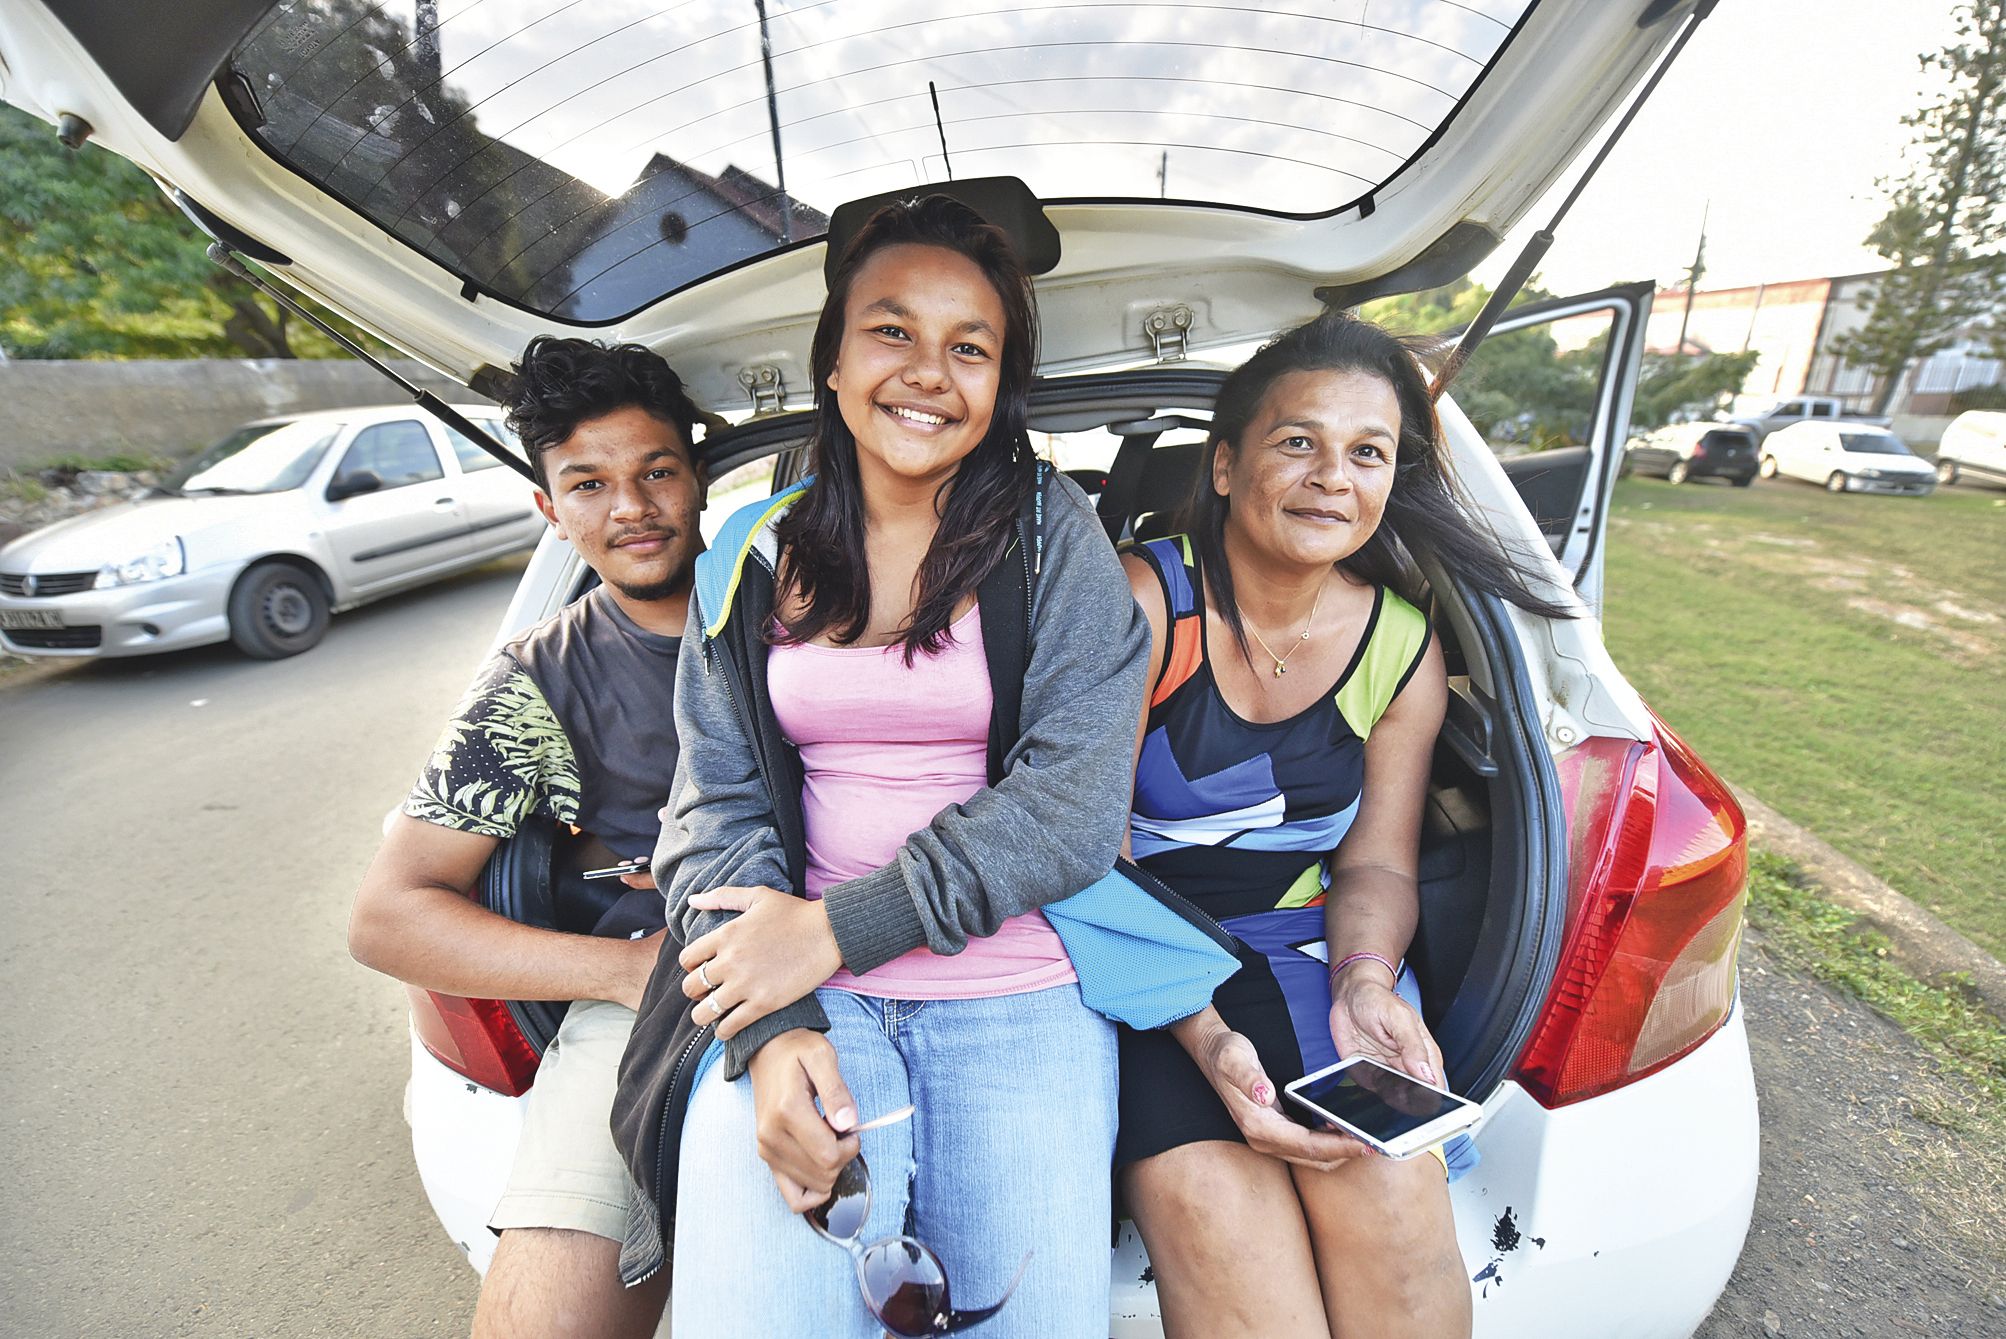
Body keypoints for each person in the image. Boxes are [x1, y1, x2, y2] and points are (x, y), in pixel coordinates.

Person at [641, 195, 1150, 1337]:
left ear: (999, 382)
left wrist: (828, 928)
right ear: (828, 361)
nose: (929, 371)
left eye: (968, 346)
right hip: (809, 998)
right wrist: (769, 1029)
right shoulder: (751, 551)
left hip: (1020, 1001)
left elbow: (1071, 808)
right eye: (891, 331)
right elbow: (710, 807)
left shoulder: (1049, 533)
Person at [1115, 312, 1575, 1338]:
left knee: (1398, 1221)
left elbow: (1375, 863)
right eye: (1298, 442)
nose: (1333, 476)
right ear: (1226, 466)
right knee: (1225, 1235)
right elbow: (1088, 859)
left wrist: (1365, 976)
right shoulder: (1146, 603)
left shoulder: (1399, 646)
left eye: (1366, 452)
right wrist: (1204, 1035)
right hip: (1132, 966)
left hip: (1298, 952)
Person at [348, 336, 709, 1339]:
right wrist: (616, 973)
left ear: (698, 475)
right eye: (587, 484)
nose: (629, 508)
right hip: (650, 1001)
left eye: (654, 472)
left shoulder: (805, 608)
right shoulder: (536, 682)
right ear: (549, 510)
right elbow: (388, 914)